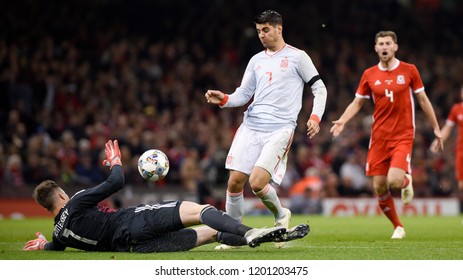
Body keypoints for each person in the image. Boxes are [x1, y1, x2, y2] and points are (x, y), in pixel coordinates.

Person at [23, 140, 310, 253]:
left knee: (211, 233)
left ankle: (271, 234)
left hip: (135, 248)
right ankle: (250, 234)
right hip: (133, 222)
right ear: (61, 194)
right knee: (200, 210)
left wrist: (42, 244)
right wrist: (114, 160)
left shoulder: (60, 233)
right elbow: (116, 181)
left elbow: (54, 248)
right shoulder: (75, 202)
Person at [204, 10, 327, 249]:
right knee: (234, 183)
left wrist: (315, 116)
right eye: (259, 31)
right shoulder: (256, 60)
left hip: (279, 128)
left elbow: (319, 89)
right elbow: (244, 94)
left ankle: (281, 216)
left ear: (279, 29)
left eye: (266, 30)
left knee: (258, 182)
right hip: (251, 126)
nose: (262, 35)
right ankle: (234, 236)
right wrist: (224, 98)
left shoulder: (298, 57)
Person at [330, 31, 443, 239]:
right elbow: (357, 103)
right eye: (380, 43)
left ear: (395, 47)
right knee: (379, 186)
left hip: (403, 135)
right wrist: (343, 121)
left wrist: (436, 127)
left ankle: (405, 182)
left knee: (393, 182)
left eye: (388, 43)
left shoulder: (410, 70)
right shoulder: (369, 74)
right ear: (375, 48)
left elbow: (424, 100)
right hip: (379, 137)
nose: (384, 46)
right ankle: (398, 226)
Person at [431, 85, 463, 212]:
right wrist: (438, 140)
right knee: (461, 185)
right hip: (461, 150)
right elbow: (448, 129)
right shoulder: (456, 109)